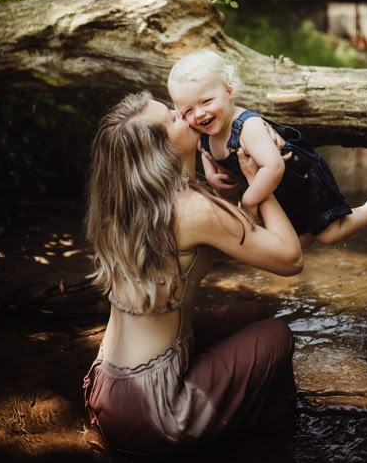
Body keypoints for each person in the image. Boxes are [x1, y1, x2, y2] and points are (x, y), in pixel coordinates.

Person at [83, 91, 303, 458]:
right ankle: (278, 437)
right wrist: (262, 180)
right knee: (277, 334)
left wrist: (212, 162)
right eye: (172, 118)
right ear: (161, 154)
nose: (183, 114)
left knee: (250, 315)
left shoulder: (122, 201)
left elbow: (220, 222)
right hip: (155, 412)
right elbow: (290, 258)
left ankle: (241, 418)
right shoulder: (190, 210)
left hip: (108, 390)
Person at [168, 49, 367, 251]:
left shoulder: (248, 127)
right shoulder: (204, 134)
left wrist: (249, 200)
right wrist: (211, 175)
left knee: (328, 234)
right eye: (188, 110)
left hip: (302, 179)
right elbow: (205, 153)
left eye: (206, 101)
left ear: (229, 91)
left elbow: (274, 166)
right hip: (275, 192)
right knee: (300, 242)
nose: (198, 114)